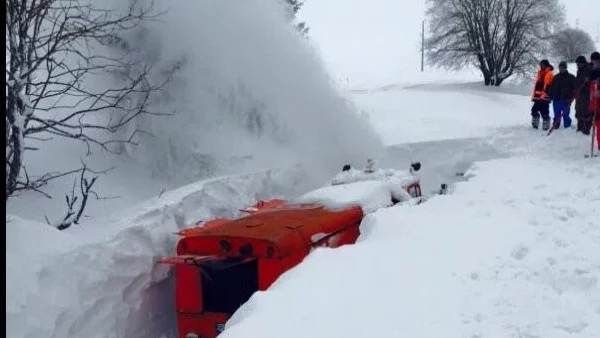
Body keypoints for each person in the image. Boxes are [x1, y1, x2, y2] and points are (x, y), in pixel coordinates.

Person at [547, 61, 576, 129]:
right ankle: (556, 125)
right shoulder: (556, 77)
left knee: (566, 114)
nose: (561, 69)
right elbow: (552, 88)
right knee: (557, 114)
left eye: (563, 68)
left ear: (566, 68)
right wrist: (550, 96)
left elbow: (575, 88)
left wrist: (572, 97)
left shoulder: (571, 77)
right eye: (560, 68)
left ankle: (567, 126)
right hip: (556, 99)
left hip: (566, 100)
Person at [531, 59, 554, 130]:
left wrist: (544, 95)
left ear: (546, 65)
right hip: (537, 95)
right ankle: (535, 122)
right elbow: (537, 84)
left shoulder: (549, 73)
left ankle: (546, 124)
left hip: (545, 96)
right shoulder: (540, 72)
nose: (541, 66)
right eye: (540, 64)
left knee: (544, 111)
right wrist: (534, 96)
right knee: (534, 110)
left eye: (542, 64)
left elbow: (547, 86)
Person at [575, 55, 592, 134]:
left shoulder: (588, 69)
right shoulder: (579, 70)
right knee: (578, 109)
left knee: (586, 110)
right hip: (579, 93)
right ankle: (580, 127)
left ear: (583, 63)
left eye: (578, 63)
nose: (577, 65)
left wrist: (588, 80)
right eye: (577, 64)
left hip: (587, 93)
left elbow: (591, 80)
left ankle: (586, 128)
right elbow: (578, 81)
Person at [589, 51, 600, 152]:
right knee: (597, 125)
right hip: (594, 105)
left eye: (596, 61)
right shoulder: (592, 72)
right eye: (592, 62)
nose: (594, 63)